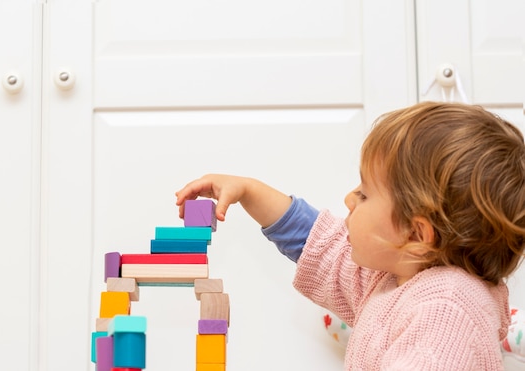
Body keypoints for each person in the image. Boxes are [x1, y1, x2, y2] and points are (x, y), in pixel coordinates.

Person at [174, 101, 525, 370]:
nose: (349, 199)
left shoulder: (447, 309)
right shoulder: (398, 277)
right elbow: (323, 247)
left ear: (416, 234)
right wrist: (250, 191)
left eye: (366, 194)